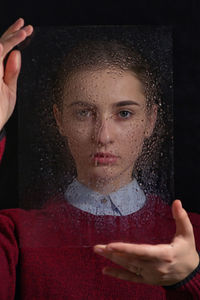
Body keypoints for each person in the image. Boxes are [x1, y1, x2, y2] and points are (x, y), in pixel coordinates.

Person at [0, 18, 200, 299]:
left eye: (124, 114)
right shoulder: (14, 234)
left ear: (150, 121)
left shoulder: (192, 235)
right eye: (84, 112)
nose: (103, 136)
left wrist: (190, 280)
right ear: (60, 120)